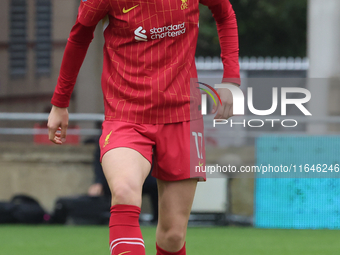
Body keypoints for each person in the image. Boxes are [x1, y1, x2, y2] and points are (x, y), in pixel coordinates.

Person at [47, 0, 240, 254]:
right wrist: (60, 103)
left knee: (173, 235)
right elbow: (80, 35)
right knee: (125, 190)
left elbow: (224, 13)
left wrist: (231, 78)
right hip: (126, 114)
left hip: (183, 116)